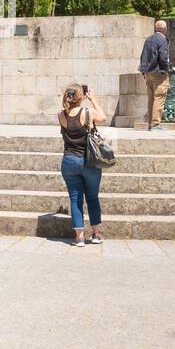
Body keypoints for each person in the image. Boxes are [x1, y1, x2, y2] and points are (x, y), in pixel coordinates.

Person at [58, 84, 107, 247]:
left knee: (75, 199)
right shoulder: (88, 112)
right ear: (82, 98)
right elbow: (103, 117)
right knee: (92, 198)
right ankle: (96, 234)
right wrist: (93, 99)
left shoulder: (61, 115)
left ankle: (79, 236)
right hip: (89, 162)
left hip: (69, 161)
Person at [138, 19, 170, 132]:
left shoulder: (148, 39)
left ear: (155, 28)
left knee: (151, 98)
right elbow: (163, 57)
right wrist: (166, 69)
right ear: (165, 29)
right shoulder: (162, 40)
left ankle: (150, 124)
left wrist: (143, 71)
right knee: (159, 97)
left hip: (148, 73)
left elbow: (143, 57)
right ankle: (156, 124)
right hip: (158, 72)